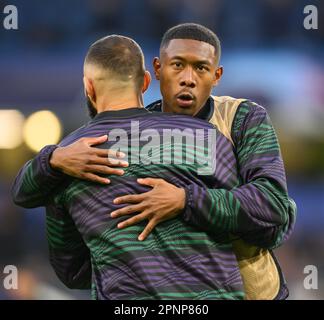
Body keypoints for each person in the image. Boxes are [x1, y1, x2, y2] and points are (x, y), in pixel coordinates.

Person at [12, 24, 296, 300]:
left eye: (201, 68)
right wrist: (55, 159)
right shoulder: (192, 140)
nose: (188, 78)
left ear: (217, 75)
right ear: (154, 73)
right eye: (178, 65)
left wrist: (185, 200)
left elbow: (272, 213)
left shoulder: (241, 118)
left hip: (257, 291)